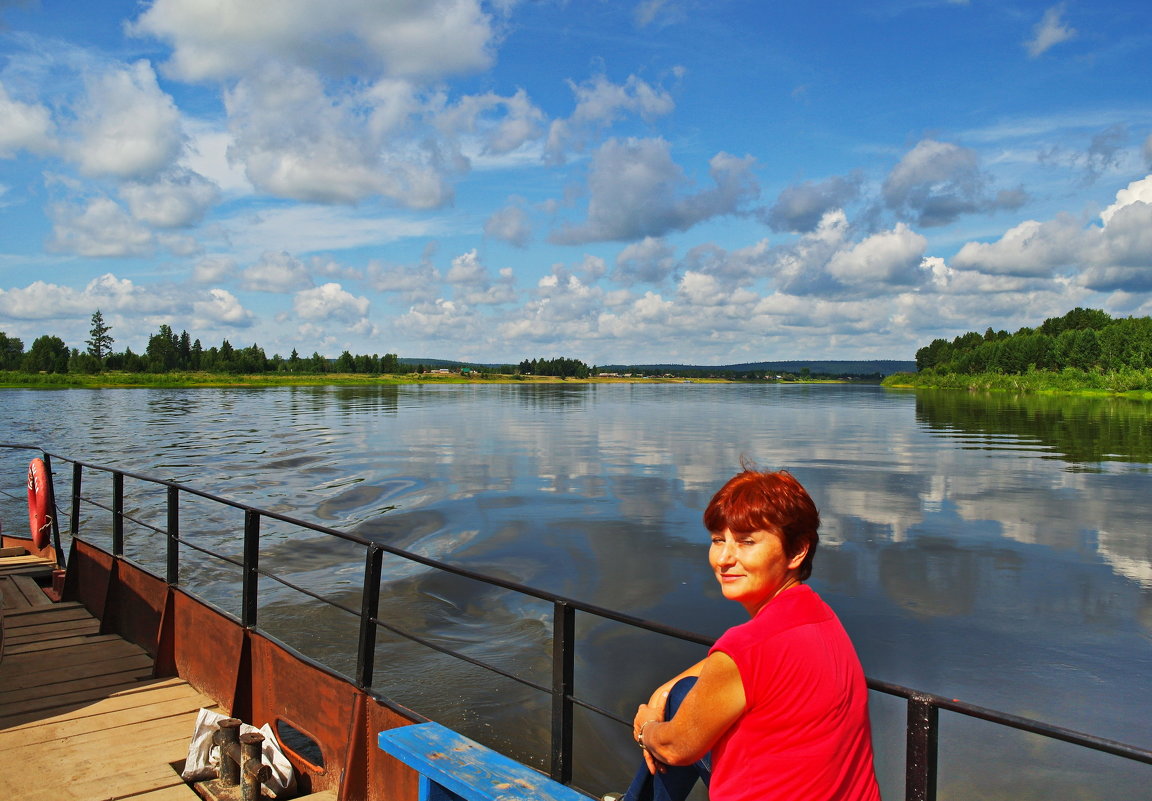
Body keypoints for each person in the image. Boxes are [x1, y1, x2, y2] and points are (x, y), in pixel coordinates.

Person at [616, 468, 881, 801]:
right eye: (717, 540)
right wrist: (664, 690)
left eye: (746, 542)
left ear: (797, 550)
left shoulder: (747, 647)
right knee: (683, 693)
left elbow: (674, 748)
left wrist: (646, 728)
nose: (725, 558)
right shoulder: (820, 617)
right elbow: (733, 666)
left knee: (671, 730)